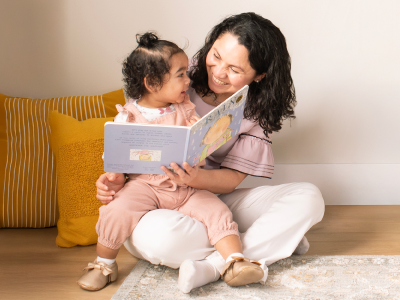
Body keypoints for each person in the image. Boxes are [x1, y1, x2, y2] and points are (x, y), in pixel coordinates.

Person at [96, 12, 325, 293]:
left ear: (259, 76)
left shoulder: (257, 109)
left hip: (207, 195)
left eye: (235, 70)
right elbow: (134, 134)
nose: (218, 72)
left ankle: (214, 266)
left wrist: (193, 180)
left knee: (308, 198)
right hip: (153, 200)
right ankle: (267, 242)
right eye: (216, 55)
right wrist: (115, 179)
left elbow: (230, 181)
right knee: (158, 238)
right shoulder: (174, 69)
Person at [77, 32, 265, 292]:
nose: (189, 80)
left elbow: (196, 144)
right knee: (116, 211)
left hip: (186, 185)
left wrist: (200, 151)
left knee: (217, 211)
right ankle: (104, 264)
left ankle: (234, 261)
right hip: (145, 185)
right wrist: (114, 179)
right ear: (153, 83)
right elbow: (117, 162)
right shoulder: (128, 116)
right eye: (181, 75)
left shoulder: (185, 108)